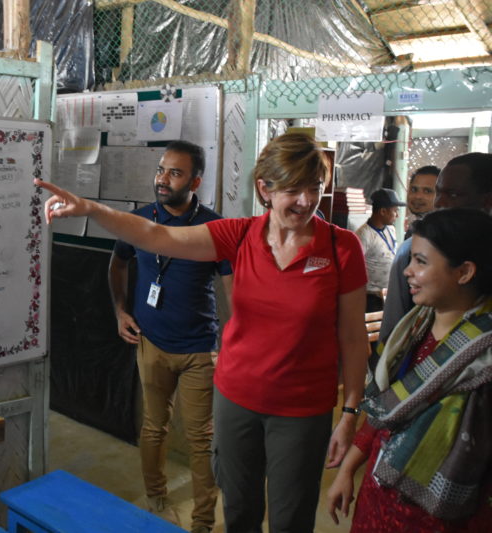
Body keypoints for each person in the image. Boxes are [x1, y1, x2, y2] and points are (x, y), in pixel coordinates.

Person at [37, 132, 368, 533]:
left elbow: (352, 338)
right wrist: (90, 208)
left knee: (291, 516)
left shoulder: (341, 248)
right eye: (293, 189)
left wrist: (349, 413)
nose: (306, 201)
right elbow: (155, 236)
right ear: (265, 189)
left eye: (314, 188)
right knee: (239, 509)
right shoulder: (239, 235)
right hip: (237, 400)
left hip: (301, 409)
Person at [326, 208, 492, 532]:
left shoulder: (482, 355)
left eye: (421, 262)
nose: (407, 271)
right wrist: (348, 469)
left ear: (464, 272)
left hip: (442, 518)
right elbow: (387, 411)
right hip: (378, 498)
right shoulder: (414, 328)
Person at [108, 140, 232, 533]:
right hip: (150, 343)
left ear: (195, 180)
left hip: (199, 350)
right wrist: (120, 310)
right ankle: (155, 497)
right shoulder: (140, 220)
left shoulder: (215, 228)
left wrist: (231, 341)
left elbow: (234, 290)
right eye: (161, 169)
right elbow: (118, 262)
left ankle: (202, 523)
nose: (162, 179)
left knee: (201, 440)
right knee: (153, 426)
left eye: (174, 172)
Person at [379, 153, 492, 343]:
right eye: (438, 192)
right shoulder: (409, 251)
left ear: (487, 201)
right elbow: (393, 327)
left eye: (453, 195)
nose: (439, 203)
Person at [355, 188, 406, 312]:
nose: (397, 215)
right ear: (383, 211)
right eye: (395, 211)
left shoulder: (391, 229)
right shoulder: (363, 235)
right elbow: (354, 268)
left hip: (388, 294)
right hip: (372, 298)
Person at [403, 165, 440, 239]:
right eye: (414, 189)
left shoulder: (441, 233)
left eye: (427, 191)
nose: (418, 196)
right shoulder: (416, 228)